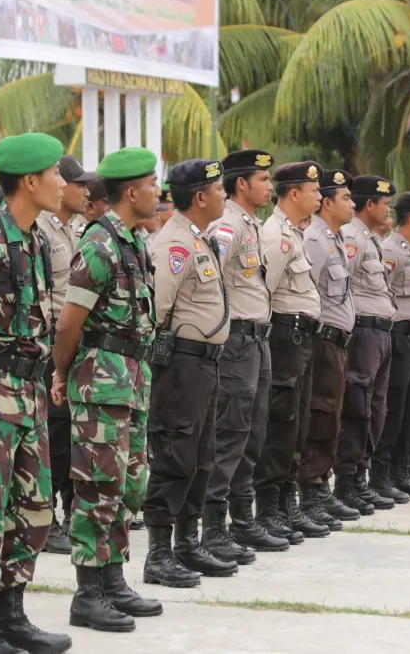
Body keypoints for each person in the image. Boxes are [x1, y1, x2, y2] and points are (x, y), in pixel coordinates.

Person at [0, 133, 73, 654]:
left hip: (28, 392)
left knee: (32, 508)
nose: (62, 183)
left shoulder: (36, 240)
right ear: (29, 181)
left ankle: (10, 614)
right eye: (55, 174)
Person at [50, 147, 161, 632]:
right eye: (152, 184)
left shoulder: (132, 241)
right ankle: (88, 593)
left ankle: (113, 581)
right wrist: (62, 374)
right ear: (131, 192)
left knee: (126, 485)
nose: (158, 191)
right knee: (97, 487)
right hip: (100, 380)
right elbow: (68, 324)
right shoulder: (99, 245)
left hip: (131, 379)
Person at [141, 158, 235, 587]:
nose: (223, 195)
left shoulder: (197, 238)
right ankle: (159, 553)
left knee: (201, 457)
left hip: (203, 365)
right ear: (199, 197)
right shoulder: (174, 246)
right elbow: (155, 312)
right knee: (175, 454)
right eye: (218, 189)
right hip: (180, 365)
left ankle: (187, 543)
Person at [203, 150, 285, 560]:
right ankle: (212, 527)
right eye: (263, 179)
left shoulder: (249, 223)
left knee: (253, 432)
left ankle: (241, 518)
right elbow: (207, 280)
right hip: (236, 340)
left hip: (257, 339)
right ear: (242, 184)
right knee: (231, 433)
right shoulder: (227, 226)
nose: (269, 186)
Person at [255, 162, 325, 542]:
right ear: (294, 193)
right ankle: (269, 508)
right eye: (314, 190)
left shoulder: (295, 234)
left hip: (302, 338)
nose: (319, 196)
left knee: (298, 424)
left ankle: (287, 502)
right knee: (281, 424)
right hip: (285, 337)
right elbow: (263, 293)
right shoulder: (275, 235)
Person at [35, 155, 95, 556]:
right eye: (79, 184)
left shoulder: (75, 230)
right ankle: (47, 517)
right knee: (53, 436)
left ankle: (71, 510)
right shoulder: (40, 230)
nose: (85, 191)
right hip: (48, 344)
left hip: (75, 345)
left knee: (74, 434)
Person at [296, 169, 359, 527]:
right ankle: (310, 491)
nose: (352, 204)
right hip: (321, 341)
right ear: (327, 203)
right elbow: (308, 292)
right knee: (319, 416)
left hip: (337, 342)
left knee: (331, 417)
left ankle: (321, 485)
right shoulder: (315, 240)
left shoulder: (335, 238)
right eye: (345, 198)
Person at [335, 176, 399, 512]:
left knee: (375, 409)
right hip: (363, 332)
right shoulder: (352, 238)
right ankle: (347, 481)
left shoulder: (370, 238)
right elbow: (340, 287)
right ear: (370, 204)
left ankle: (360, 475)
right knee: (358, 408)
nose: (388, 209)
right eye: (384, 203)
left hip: (381, 332)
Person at [367, 190, 410, 506]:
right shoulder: (391, 249)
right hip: (398, 335)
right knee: (393, 409)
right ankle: (381, 475)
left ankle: (402, 471)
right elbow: (383, 291)